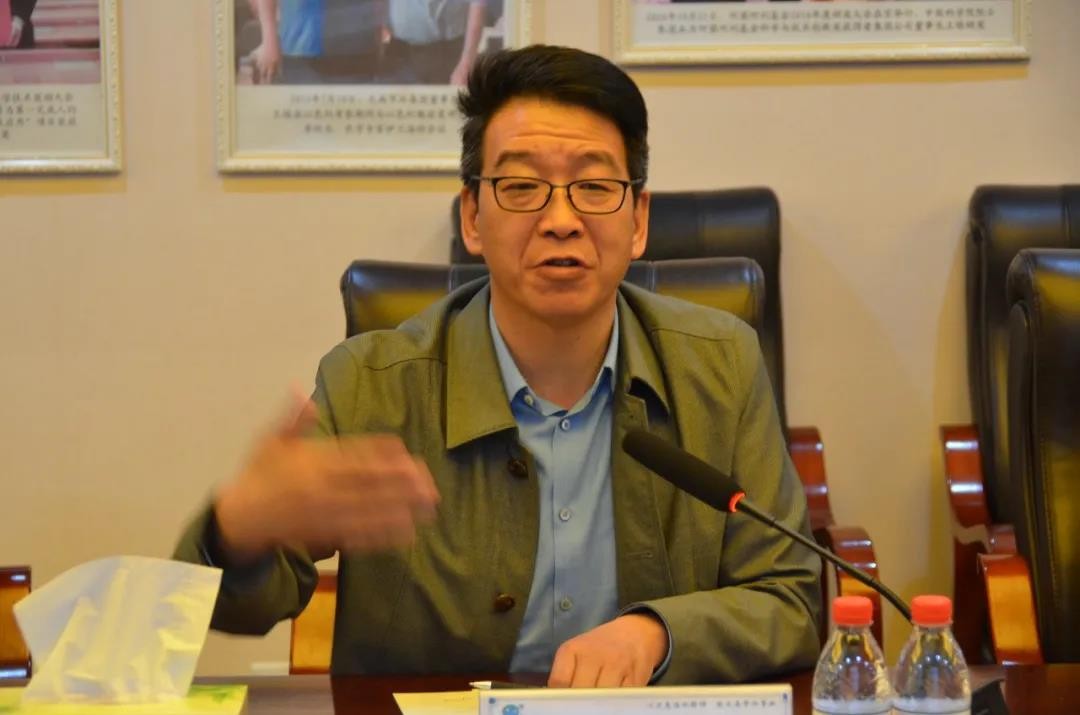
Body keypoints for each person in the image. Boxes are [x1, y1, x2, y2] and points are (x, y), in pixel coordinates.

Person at [174, 44, 821, 686]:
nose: (561, 220)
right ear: (473, 218)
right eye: (521, 187)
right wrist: (239, 527)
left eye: (595, 187)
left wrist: (658, 633)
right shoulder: (370, 386)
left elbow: (791, 598)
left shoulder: (722, 366)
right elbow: (226, 608)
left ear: (638, 220)